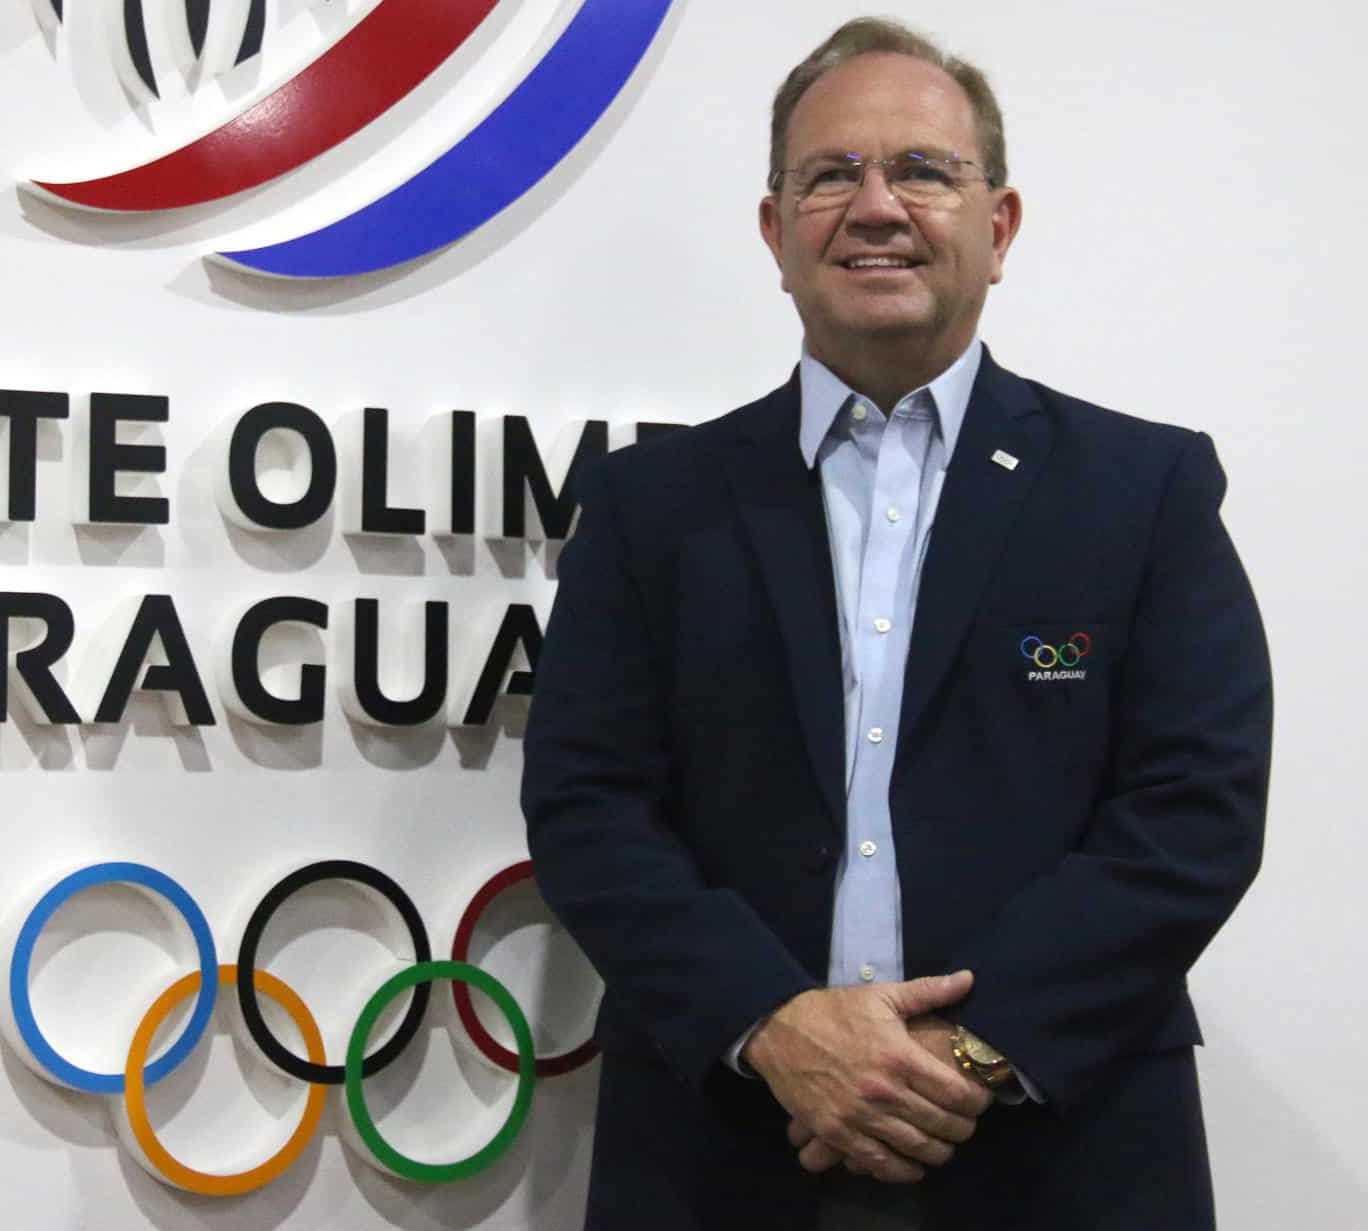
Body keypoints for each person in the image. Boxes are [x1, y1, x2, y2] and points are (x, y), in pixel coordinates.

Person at [521, 16, 1271, 1230]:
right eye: (830, 175)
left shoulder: (1145, 494)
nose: (877, 207)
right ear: (776, 233)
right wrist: (776, 1027)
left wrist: (962, 1059)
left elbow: (1195, 812)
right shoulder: (651, 507)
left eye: (923, 169)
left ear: (1000, 225)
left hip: (1063, 1154)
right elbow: (587, 806)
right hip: (726, 1150)